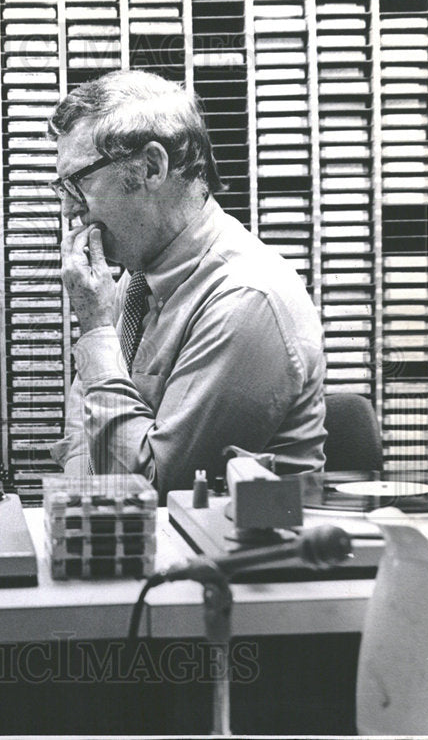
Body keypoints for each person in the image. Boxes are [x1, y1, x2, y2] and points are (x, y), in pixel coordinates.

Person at [47, 70, 326, 499]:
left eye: (78, 183)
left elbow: (159, 490)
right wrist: (86, 500)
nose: (69, 210)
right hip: (136, 534)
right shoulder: (139, 278)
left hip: (231, 539)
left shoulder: (245, 299)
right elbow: (87, 417)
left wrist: (97, 329)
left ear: (151, 167)